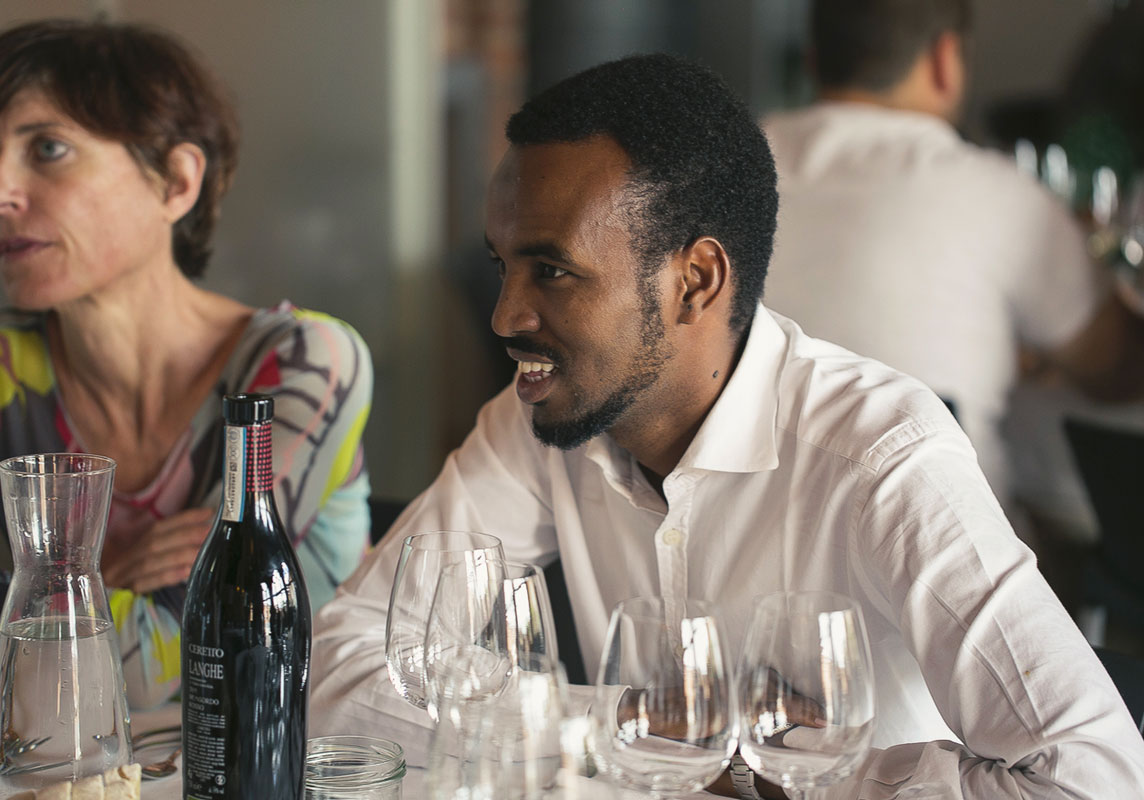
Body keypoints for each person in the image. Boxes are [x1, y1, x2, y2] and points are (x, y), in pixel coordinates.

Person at [309, 53, 1144, 798]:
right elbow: (336, 673)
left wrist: (813, 772)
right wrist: (636, 725)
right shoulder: (542, 417)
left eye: (552, 271)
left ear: (696, 281)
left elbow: (1095, 776)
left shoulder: (884, 458)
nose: (504, 316)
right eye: (502, 265)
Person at [0, 20, 373, 708]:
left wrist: (34, 592)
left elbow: (163, 656)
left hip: (294, 755)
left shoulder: (305, 362)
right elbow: (134, 645)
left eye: (48, 148)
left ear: (175, 181)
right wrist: (95, 592)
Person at [760, 0, 1144, 522]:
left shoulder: (727, 170)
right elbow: (1117, 369)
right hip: (935, 545)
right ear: (945, 60)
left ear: (812, 61)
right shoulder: (1000, 195)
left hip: (737, 538)